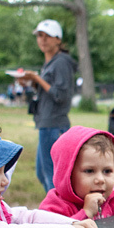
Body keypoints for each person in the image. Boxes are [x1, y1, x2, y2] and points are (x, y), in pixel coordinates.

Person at [20, 19, 77, 192]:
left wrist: (37, 79)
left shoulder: (61, 62)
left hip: (54, 124)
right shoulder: (50, 62)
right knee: (42, 173)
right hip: (46, 123)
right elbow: (48, 91)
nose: (43, 40)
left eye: (48, 36)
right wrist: (31, 83)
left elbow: (62, 95)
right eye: (39, 35)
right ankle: (56, 205)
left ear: (58, 39)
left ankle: (57, 208)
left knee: (51, 176)